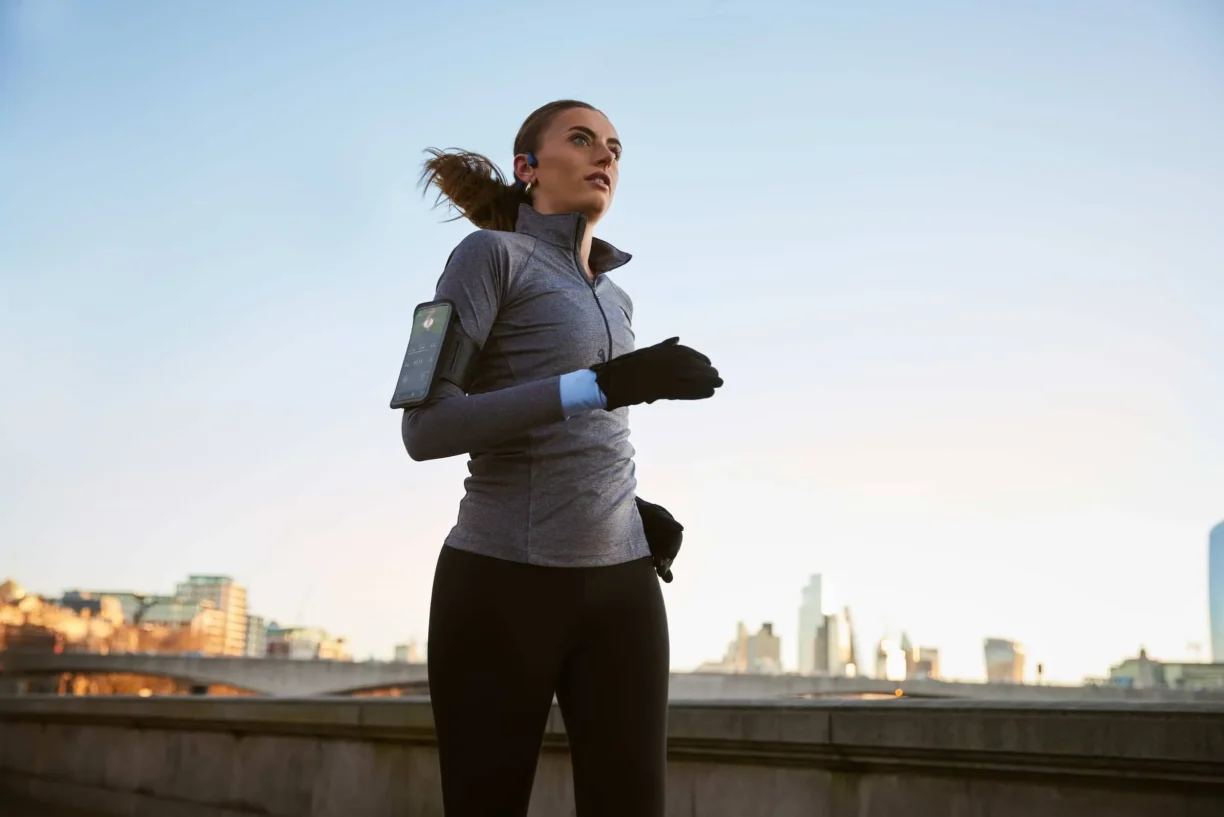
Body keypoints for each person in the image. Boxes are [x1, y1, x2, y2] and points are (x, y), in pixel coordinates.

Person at [401, 99, 723, 817]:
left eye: (614, 146)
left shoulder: (618, 297)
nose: (604, 155)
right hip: (501, 583)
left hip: (623, 587)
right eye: (581, 139)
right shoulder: (487, 257)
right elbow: (424, 428)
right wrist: (599, 384)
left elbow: (582, 435)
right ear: (527, 166)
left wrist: (625, 509)